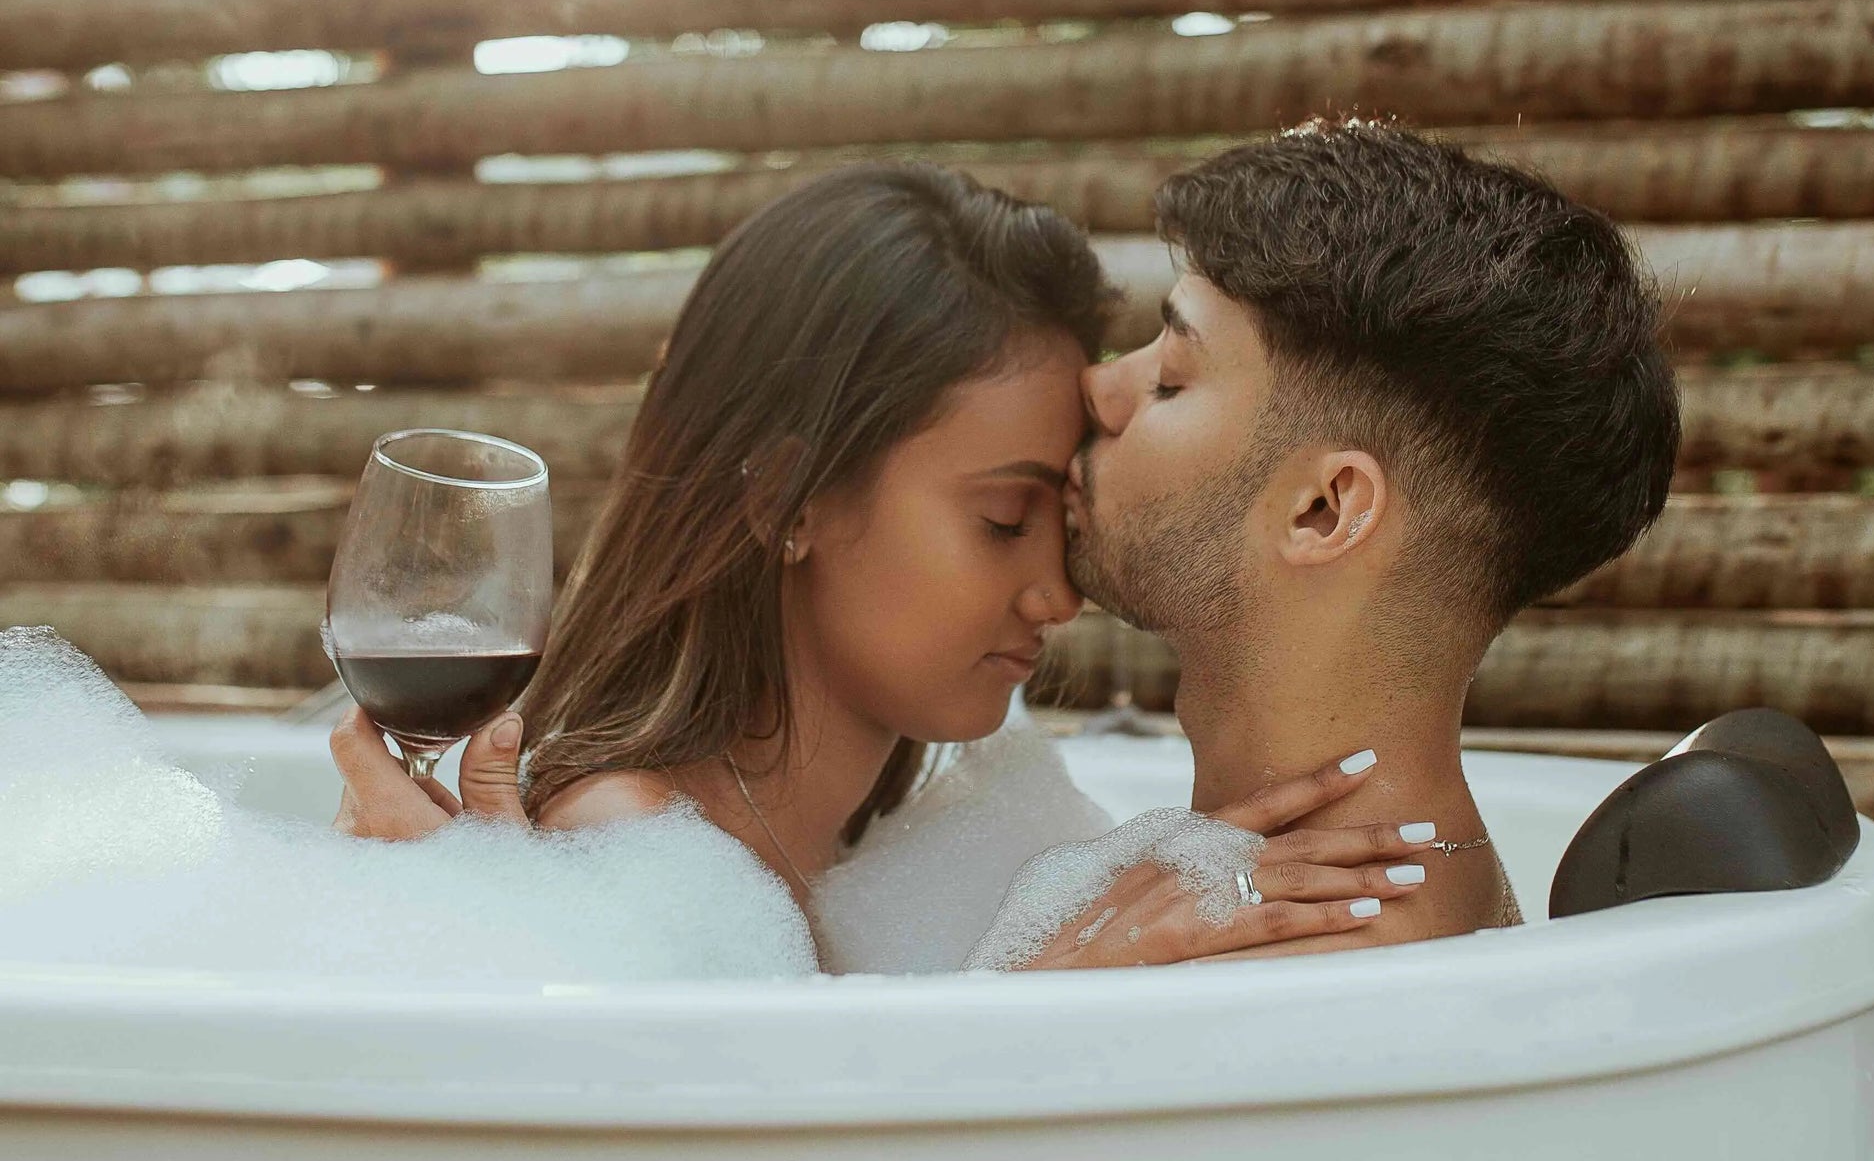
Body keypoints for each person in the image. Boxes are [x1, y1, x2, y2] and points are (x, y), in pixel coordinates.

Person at [332, 162, 1435, 966]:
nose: (1055, 594)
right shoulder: (626, 855)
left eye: (1058, 520)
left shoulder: (931, 829)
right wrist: (1044, 994)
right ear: (785, 500)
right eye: (1003, 520)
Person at [1040, 120, 1681, 960]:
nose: (1100, 386)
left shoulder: (1297, 973)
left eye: (1170, 380)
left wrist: (1031, 989)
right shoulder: (1281, 909)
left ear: (1323, 510)